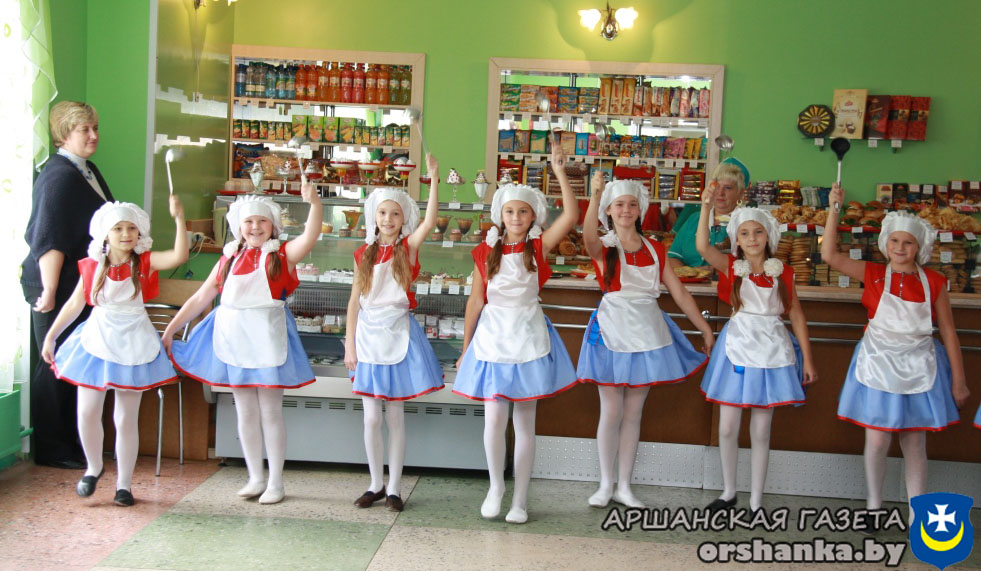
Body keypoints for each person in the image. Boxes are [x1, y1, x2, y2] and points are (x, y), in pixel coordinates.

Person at [163, 187, 322, 504]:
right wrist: (171, 329)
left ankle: (276, 482)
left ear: (273, 226)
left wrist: (315, 204)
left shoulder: (282, 256)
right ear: (238, 226)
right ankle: (255, 477)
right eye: (249, 221)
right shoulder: (228, 258)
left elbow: (310, 236)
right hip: (234, 339)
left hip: (267, 339)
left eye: (262, 221)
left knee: (270, 412)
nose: (255, 227)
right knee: (245, 411)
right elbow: (201, 296)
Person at [822, 183, 967, 524]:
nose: (900, 247)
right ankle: (874, 507)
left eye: (908, 242)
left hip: (920, 366)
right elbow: (829, 255)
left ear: (920, 247)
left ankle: (919, 515)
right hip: (878, 364)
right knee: (877, 441)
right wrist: (834, 209)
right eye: (895, 241)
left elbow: (948, 332)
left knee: (914, 445)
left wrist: (959, 381)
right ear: (885, 243)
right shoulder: (872, 274)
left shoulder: (935, 282)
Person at [452, 143, 579, 524]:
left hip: (528, 336)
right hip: (492, 338)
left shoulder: (539, 246)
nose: (516, 217)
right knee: (493, 420)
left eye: (523, 211)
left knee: (525, 423)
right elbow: (476, 301)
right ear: (500, 216)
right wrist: (466, 347)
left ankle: (520, 499)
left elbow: (571, 215)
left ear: (533, 215)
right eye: (510, 211)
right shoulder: (484, 252)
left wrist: (559, 171)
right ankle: (496, 486)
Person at [577, 175, 714, 509]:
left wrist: (704, 329)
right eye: (619, 205)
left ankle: (624, 486)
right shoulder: (605, 246)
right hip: (610, 331)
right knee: (611, 411)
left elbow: (680, 293)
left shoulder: (656, 248)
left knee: (633, 413)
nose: (626, 210)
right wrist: (594, 196)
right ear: (609, 210)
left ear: (640, 210)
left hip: (648, 332)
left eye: (632, 204)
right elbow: (588, 238)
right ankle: (605, 484)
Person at [40, 198, 188, 506]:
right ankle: (93, 468)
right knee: (87, 411)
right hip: (97, 340)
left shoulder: (145, 261)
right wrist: (51, 336)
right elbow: (75, 304)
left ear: (139, 233)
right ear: (105, 234)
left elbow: (179, 256)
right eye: (118, 228)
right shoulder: (92, 265)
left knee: (125, 417)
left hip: (134, 340)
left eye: (131, 228)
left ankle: (124, 485)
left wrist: (179, 218)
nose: (125, 234)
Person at [696, 186, 818, 514]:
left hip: (772, 349)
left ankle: (756, 500)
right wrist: (706, 207)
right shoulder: (730, 266)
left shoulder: (784, 272)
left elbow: (797, 316)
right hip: (736, 346)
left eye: (758, 232)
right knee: (727, 427)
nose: (752, 239)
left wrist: (807, 359)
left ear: (769, 237)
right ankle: (729, 491)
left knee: (761, 430)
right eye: (745, 233)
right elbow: (702, 246)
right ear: (736, 239)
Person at [345, 155, 444, 512]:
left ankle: (395, 487)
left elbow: (430, 221)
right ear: (374, 216)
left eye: (396, 214)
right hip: (367, 338)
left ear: (404, 220)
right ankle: (375, 483)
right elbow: (354, 302)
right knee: (371, 417)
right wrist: (349, 344)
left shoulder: (408, 249)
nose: (388, 219)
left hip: (399, 334)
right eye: (383, 213)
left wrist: (433, 180)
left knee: (395, 416)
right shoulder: (363, 254)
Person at [22, 101, 115, 468]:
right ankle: (52, 449)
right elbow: (49, 240)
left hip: (78, 285)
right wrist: (48, 291)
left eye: (95, 128)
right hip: (56, 286)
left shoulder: (85, 169)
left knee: (73, 361)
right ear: (63, 135)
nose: (93, 136)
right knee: (55, 362)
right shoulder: (59, 176)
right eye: (84, 130)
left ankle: (73, 443)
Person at [668, 158, 748, 269]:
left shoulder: (746, 224)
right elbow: (673, 257)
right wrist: (690, 274)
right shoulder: (694, 219)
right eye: (717, 186)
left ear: (740, 193)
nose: (720, 193)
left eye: (728, 188)